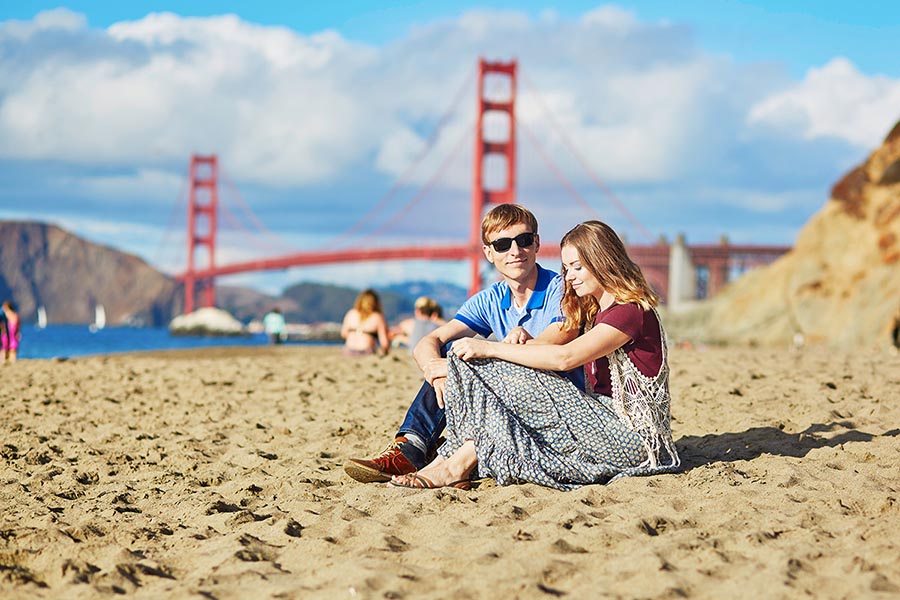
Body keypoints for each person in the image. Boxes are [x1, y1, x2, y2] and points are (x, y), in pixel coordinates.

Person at [389, 220, 680, 491]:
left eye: (578, 267)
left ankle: (452, 464)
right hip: (602, 424)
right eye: (566, 269)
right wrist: (521, 343)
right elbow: (549, 351)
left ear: (602, 262)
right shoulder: (598, 311)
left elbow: (564, 358)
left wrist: (489, 347)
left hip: (632, 438)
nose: (571, 278)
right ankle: (449, 462)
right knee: (482, 370)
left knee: (485, 365)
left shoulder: (629, 312)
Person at [344, 204, 582, 482]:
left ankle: (421, 454)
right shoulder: (491, 298)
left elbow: (558, 339)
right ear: (488, 253)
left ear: (537, 242)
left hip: (556, 403)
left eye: (524, 240)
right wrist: (435, 370)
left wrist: (460, 367)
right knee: (446, 350)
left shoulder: (562, 288)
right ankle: (412, 445)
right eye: (503, 244)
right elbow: (429, 340)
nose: (515, 251)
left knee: (462, 360)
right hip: (507, 402)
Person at [341, 289, 390, 357]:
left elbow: (344, 334)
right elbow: (384, 342)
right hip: (366, 350)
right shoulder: (377, 317)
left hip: (348, 350)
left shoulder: (351, 313)